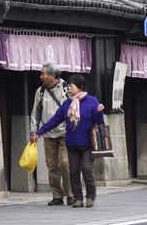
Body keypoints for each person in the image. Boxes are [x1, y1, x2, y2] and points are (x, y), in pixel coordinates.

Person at [33, 74, 104, 208]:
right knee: (74, 171)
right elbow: (55, 120)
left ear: (80, 87)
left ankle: (90, 196)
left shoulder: (91, 101)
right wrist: (39, 131)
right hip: (72, 143)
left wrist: (99, 112)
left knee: (87, 169)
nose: (69, 88)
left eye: (71, 86)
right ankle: (78, 198)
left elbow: (98, 122)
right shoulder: (67, 104)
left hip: (88, 143)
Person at [29, 61, 71, 206]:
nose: (41, 76)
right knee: (52, 165)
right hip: (48, 134)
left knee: (65, 163)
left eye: (43, 74)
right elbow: (35, 112)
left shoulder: (66, 89)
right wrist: (34, 131)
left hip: (65, 132)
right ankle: (57, 195)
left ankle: (69, 193)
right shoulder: (40, 91)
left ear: (53, 75)